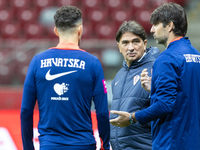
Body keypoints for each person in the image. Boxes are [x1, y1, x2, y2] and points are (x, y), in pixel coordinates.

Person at [110, 2, 200, 150]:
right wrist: (154, 89)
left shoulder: (166, 58)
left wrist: (132, 118)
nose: (152, 29)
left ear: (169, 26)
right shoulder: (196, 55)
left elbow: (165, 105)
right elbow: (184, 95)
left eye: (156, 24)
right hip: (193, 141)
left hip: (171, 142)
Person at [20, 5, 110, 150]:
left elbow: (25, 110)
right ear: (80, 29)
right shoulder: (93, 63)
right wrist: (105, 144)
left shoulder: (37, 62)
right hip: (83, 144)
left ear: (56, 30)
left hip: (50, 145)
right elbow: (102, 112)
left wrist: (28, 147)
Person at [109, 20, 160, 150]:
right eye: (125, 43)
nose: (130, 47)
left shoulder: (156, 69)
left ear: (145, 43)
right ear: (119, 47)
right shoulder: (118, 76)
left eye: (135, 41)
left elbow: (165, 108)